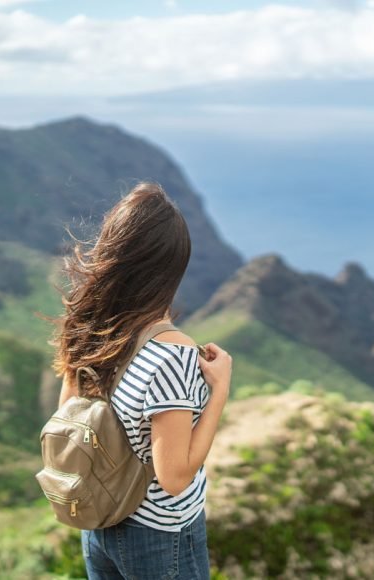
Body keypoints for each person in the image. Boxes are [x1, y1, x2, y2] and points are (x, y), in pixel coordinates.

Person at [49, 181, 233, 579]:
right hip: (160, 536)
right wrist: (219, 390)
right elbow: (174, 478)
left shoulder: (87, 328)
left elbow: (69, 415)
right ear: (171, 269)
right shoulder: (174, 356)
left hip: (100, 520)